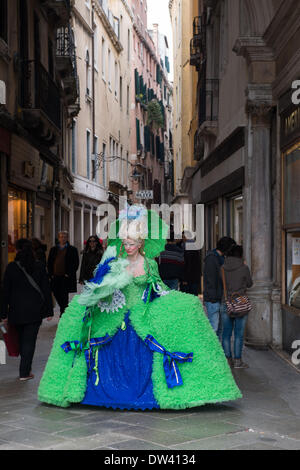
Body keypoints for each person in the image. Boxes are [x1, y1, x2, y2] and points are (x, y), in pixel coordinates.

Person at [38, 206, 241, 410]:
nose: (128, 247)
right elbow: (100, 284)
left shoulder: (149, 264)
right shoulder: (114, 262)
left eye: (132, 243)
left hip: (142, 314)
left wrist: (172, 299)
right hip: (116, 315)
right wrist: (105, 285)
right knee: (77, 318)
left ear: (140, 243)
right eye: (125, 243)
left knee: (186, 311)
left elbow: (158, 288)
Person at [1, 239, 53, 381]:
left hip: (16, 312)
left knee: (21, 340)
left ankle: (25, 369)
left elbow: (5, 292)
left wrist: (3, 313)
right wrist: (49, 311)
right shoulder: (39, 266)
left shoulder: (11, 268)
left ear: (17, 251)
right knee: (29, 342)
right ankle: (25, 372)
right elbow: (46, 289)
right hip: (34, 312)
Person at [221, 245, 253, 369]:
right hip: (241, 303)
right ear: (240, 255)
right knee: (239, 334)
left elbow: (221, 283)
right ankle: (238, 361)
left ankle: (228, 360)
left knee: (226, 334)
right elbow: (250, 284)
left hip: (226, 303)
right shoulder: (244, 267)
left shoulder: (222, 268)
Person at [203, 237, 236, 338]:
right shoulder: (212, 258)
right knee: (214, 329)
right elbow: (211, 281)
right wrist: (214, 299)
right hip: (214, 299)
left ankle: (217, 352)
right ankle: (211, 352)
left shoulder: (220, 258)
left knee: (220, 329)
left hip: (219, 299)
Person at [47, 231, 79, 317]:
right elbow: (49, 262)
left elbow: (75, 263)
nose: (63, 238)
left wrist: (69, 273)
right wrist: (51, 274)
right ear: (58, 238)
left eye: (65, 237)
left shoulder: (72, 249)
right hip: (55, 276)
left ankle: (63, 312)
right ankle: (64, 308)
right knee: (55, 292)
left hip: (66, 277)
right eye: (61, 237)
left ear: (67, 238)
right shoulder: (53, 249)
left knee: (64, 295)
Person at [181, 231, 201, 296]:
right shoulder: (195, 246)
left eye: (183, 237)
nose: (182, 239)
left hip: (189, 278)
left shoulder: (187, 248)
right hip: (195, 277)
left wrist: (184, 278)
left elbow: (187, 264)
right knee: (194, 296)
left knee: (187, 297)